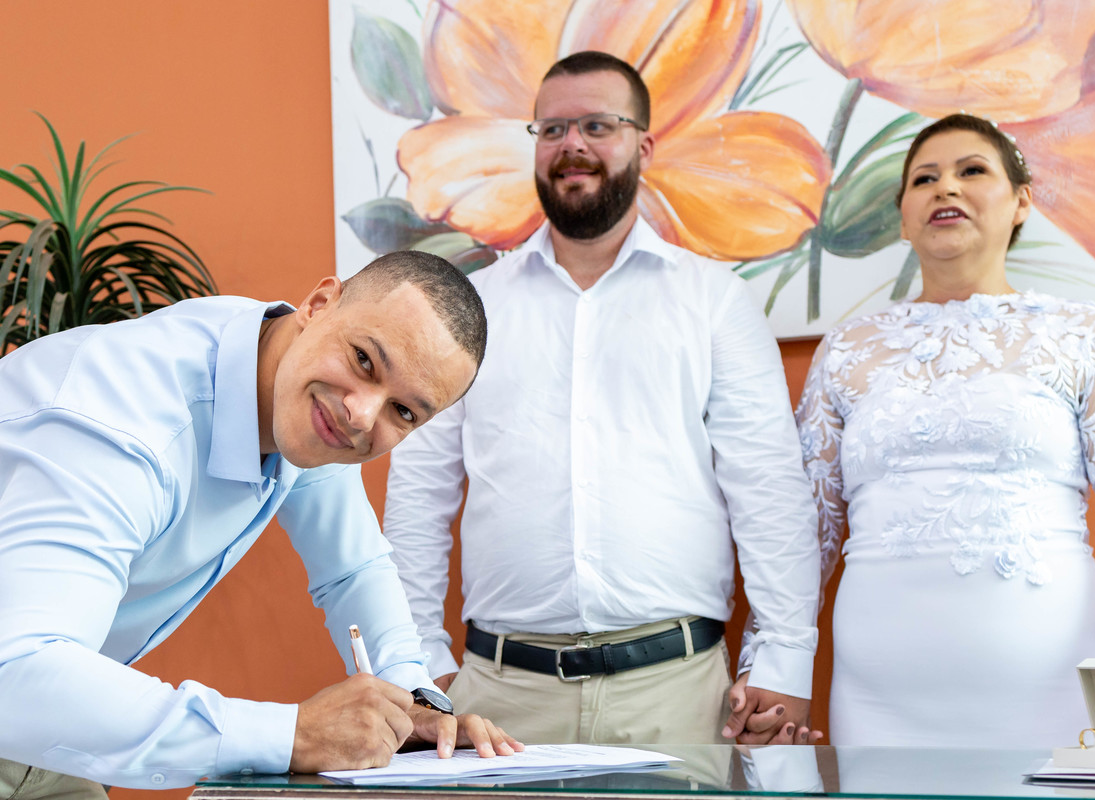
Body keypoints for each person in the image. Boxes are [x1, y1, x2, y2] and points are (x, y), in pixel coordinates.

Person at [382, 51, 822, 746]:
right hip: (496, 701)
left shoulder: (714, 301)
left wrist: (784, 658)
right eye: (553, 129)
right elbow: (418, 496)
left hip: (677, 696)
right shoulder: (470, 310)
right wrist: (417, 668)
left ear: (643, 145)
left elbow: (768, 491)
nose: (573, 145)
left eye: (597, 125)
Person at [0, 250, 521, 796]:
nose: (363, 414)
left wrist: (412, 701)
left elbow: (353, 569)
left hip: (53, 731)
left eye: (404, 411)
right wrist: (292, 735)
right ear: (318, 304)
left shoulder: (292, 375)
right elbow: (16, 670)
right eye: (365, 361)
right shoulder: (121, 425)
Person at [792, 113, 1095, 746]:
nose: (945, 187)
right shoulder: (844, 349)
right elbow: (806, 533)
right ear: (903, 218)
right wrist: (773, 667)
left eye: (971, 170)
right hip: (877, 703)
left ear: (1021, 202)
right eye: (924, 179)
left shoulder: (1085, 334)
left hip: (1058, 692)